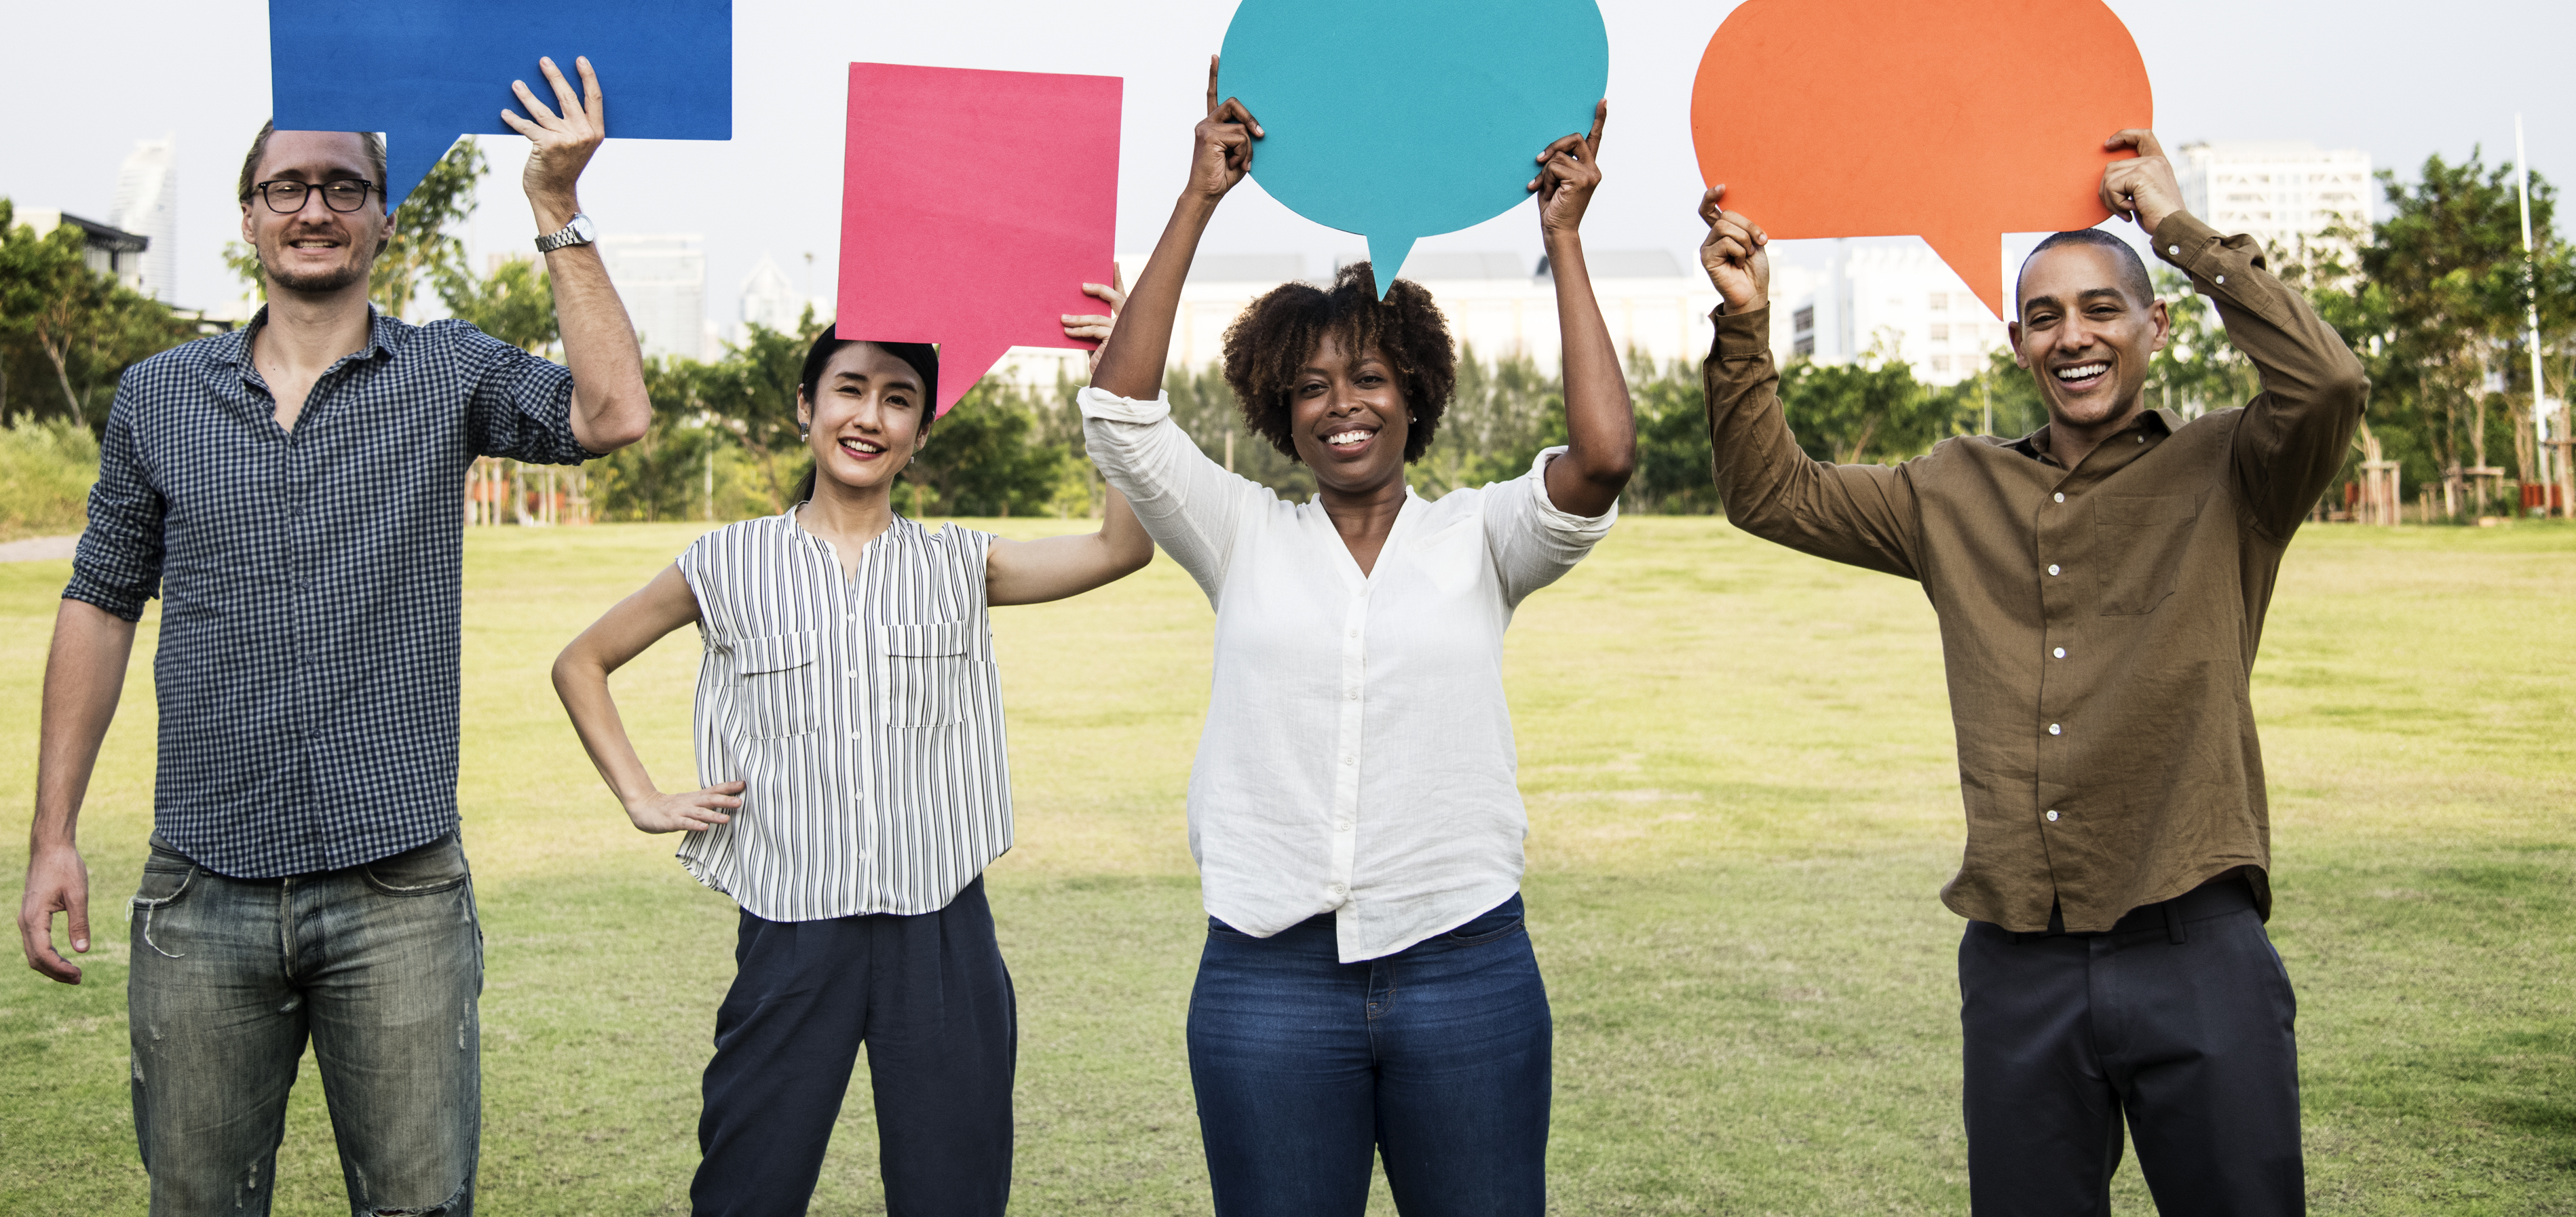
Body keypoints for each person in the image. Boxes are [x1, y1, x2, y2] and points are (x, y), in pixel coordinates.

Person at [18, 58, 652, 1217]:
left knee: (418, 1205)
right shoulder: (159, 397)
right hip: (200, 889)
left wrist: (557, 205)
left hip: (396, 890)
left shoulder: (447, 371)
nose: (315, 208)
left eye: (344, 187)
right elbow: (100, 603)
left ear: (384, 218)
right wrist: (52, 833)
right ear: (250, 214)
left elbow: (612, 413)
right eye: (287, 187)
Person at [1696, 133, 2366, 1215]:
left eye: (2104, 307)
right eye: (2046, 316)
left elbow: (2328, 377)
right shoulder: (1951, 490)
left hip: (2198, 944)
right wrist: (1743, 322)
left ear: (2154, 326)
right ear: (2017, 343)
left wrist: (2179, 232)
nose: (2075, 336)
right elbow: (1772, 494)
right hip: (2020, 964)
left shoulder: (2235, 468)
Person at [1079, 60, 1635, 1216]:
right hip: (1266, 976)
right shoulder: (1239, 534)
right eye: (1313, 386)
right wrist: (1199, 198)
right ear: (1280, 412)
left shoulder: (1482, 538)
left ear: (1415, 393)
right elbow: (1122, 414)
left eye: (1370, 377)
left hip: (1464, 964)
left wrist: (1564, 238)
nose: (1344, 404)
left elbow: (1603, 459)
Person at [548, 303, 1156, 1217]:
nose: (870, 417)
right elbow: (582, 662)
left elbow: (1123, 546)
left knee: (954, 1192)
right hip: (792, 932)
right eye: (850, 390)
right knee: (747, 1190)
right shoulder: (726, 562)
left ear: (920, 432)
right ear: (806, 406)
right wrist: (641, 796)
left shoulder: (960, 563)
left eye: (900, 400)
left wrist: (1117, 378)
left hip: (943, 934)